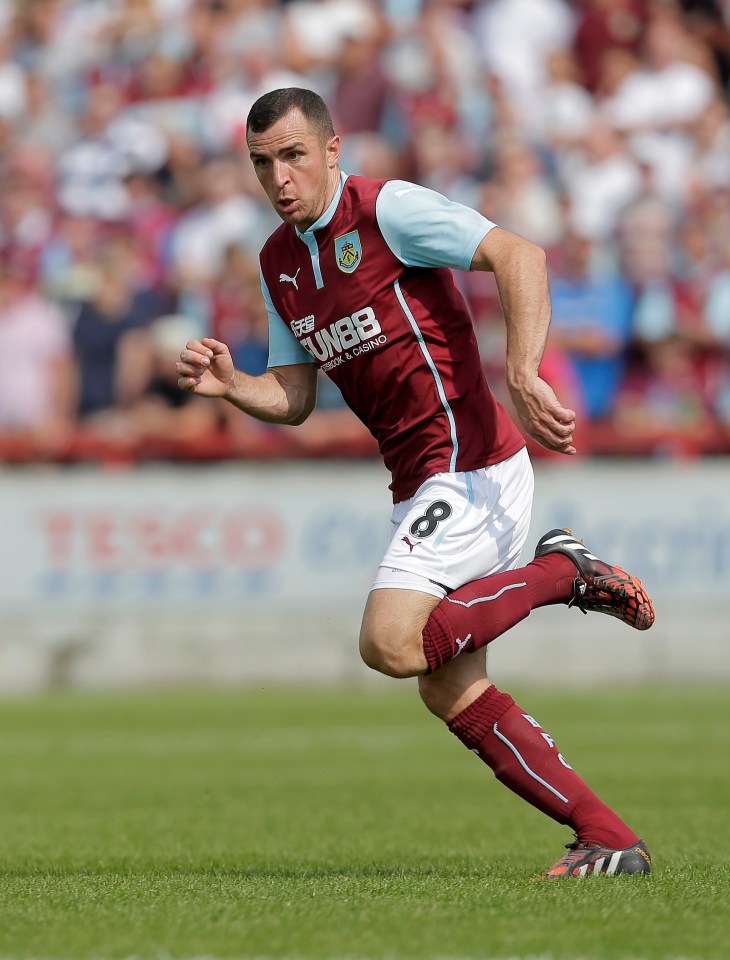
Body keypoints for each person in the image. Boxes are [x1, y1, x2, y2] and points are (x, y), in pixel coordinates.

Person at [176, 88, 656, 879]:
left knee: (389, 641)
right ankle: (606, 838)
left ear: (332, 150)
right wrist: (235, 384)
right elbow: (294, 397)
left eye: (294, 156)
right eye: (263, 164)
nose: (280, 178)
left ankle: (561, 572)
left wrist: (523, 370)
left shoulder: (388, 210)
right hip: (422, 482)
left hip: (471, 465)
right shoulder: (278, 264)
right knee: (448, 685)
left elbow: (519, 254)